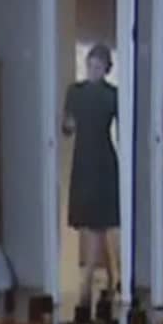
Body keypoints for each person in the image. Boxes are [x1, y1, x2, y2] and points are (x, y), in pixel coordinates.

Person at [62, 44, 121, 308]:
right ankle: (111, 276)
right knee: (92, 222)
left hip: (103, 161)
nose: (93, 70)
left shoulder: (112, 94)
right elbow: (67, 127)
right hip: (82, 160)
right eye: (90, 65)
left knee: (99, 223)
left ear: (107, 68)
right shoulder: (75, 92)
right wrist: (67, 125)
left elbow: (124, 126)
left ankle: (86, 283)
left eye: (98, 66)